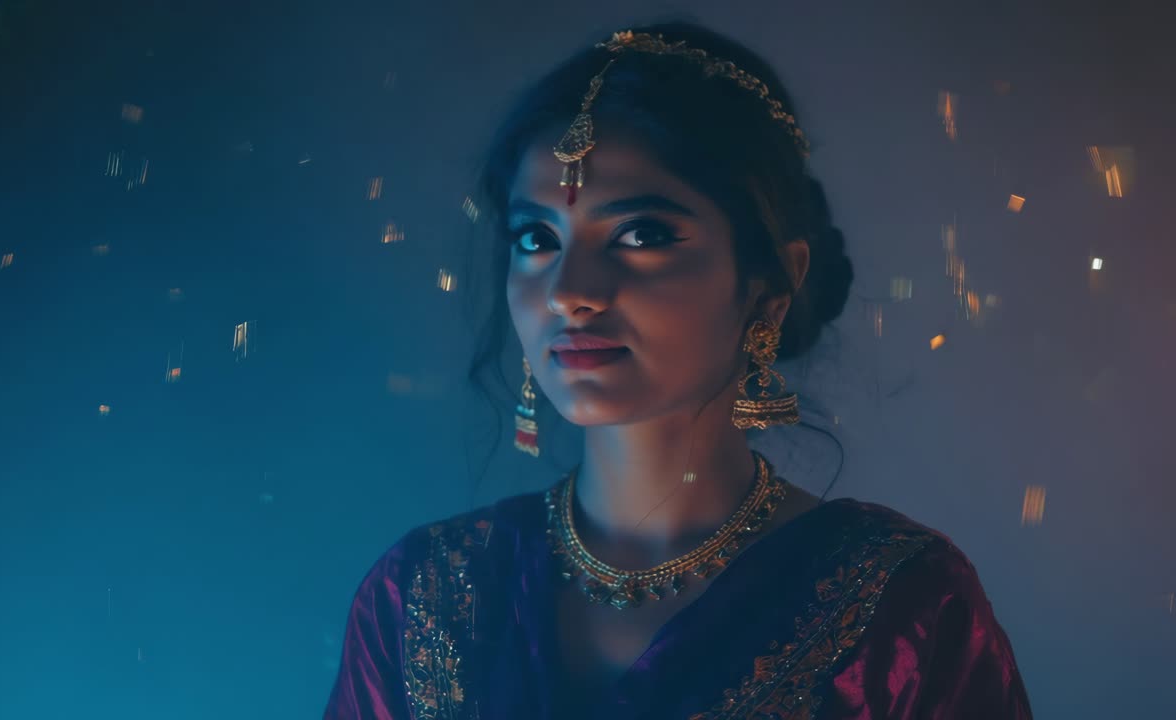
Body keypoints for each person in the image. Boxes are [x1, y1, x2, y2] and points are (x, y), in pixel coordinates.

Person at [324, 21, 1033, 720]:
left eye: (642, 235)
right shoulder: (426, 594)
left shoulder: (901, 604)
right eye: (537, 238)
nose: (570, 290)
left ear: (770, 281)